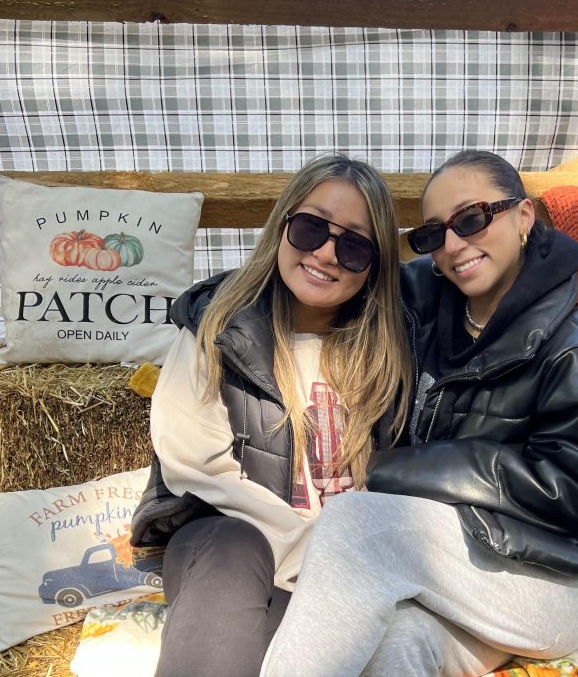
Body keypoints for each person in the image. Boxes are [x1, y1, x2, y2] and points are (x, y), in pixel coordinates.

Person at [259, 150, 578, 677]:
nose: (454, 245)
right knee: (396, 644)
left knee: (355, 523)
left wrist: (403, 472)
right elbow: (315, 276)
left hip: (551, 577)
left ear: (523, 218)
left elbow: (571, 493)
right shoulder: (424, 302)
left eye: (472, 219)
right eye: (433, 234)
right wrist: (213, 304)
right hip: (458, 567)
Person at [129, 154, 411, 677]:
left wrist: (346, 563)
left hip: (346, 565)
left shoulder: (392, 353)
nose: (326, 254)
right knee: (231, 551)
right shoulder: (217, 326)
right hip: (229, 539)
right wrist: (316, 550)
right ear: (282, 226)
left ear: (376, 264)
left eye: (353, 245)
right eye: (310, 229)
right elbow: (196, 470)